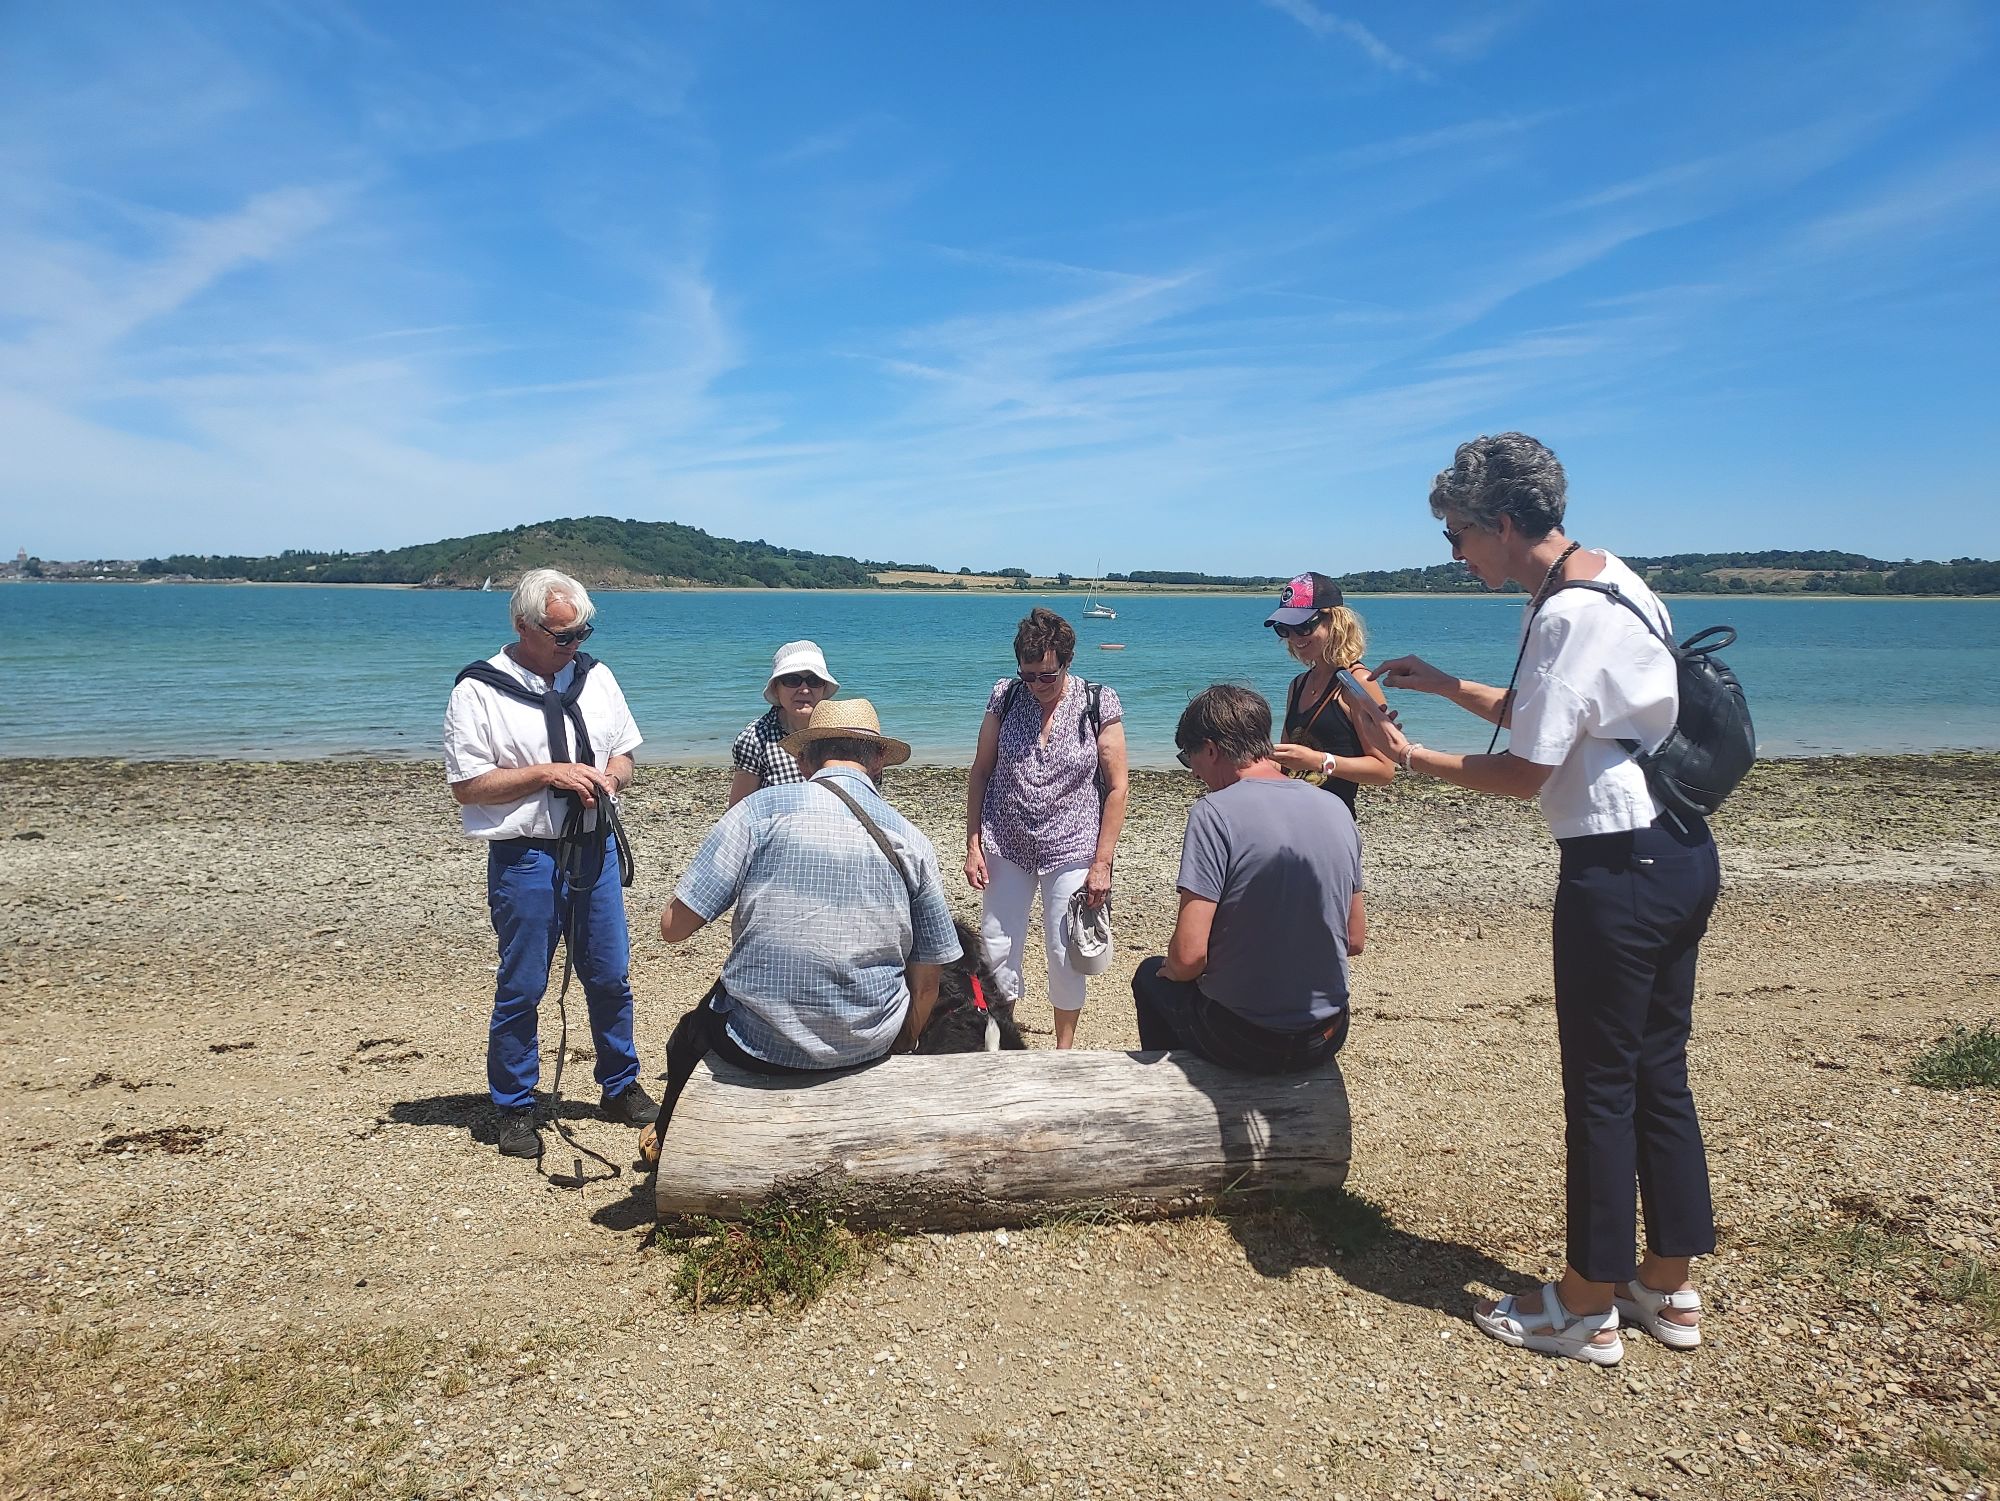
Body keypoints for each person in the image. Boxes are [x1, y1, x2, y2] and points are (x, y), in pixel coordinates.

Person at [1350, 432, 1721, 1365]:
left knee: (1600, 1085)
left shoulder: (1559, 615)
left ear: (1504, 522)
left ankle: (1584, 1304)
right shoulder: (1618, 583)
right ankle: (1666, 1284)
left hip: (1614, 866)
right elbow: (1552, 712)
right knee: (1656, 1070)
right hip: (1678, 848)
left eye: (1458, 535)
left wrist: (1412, 759)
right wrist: (1445, 686)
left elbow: (1525, 769)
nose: (1457, 554)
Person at [649, 699, 961, 1146]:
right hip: (868, 1043)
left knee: (687, 1038)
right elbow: (928, 982)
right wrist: (897, 1043)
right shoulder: (911, 839)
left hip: (758, 1043)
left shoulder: (760, 811)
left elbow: (673, 928)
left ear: (803, 758)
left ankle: (669, 1139)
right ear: (876, 761)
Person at [442, 568, 658, 1161]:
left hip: (596, 848)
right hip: (525, 856)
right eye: (562, 636)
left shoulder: (597, 677)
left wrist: (609, 778)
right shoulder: (478, 690)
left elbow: (624, 753)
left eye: (581, 634)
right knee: (524, 984)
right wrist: (548, 775)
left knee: (610, 974)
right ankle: (514, 1105)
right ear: (524, 626)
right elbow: (469, 786)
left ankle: (619, 1086)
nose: (574, 646)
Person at [1131, 684, 1365, 1072]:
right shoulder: (1336, 808)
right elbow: (1353, 939)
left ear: (1210, 749)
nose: (1195, 776)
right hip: (1325, 1034)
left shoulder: (1214, 813)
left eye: (1190, 761)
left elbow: (1189, 957)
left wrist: (1171, 970)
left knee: (1150, 978)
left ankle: (1181, 1096)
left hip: (1243, 1038)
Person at [964, 606, 1129, 1049]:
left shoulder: (1099, 702)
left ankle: (1064, 1052)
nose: (1036, 685)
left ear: (1067, 663)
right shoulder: (1005, 696)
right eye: (1028, 675)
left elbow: (1117, 787)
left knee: (1065, 952)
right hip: (1005, 839)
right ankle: (1001, 1040)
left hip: (1073, 843)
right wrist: (973, 844)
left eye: (1046, 676)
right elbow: (980, 771)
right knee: (996, 949)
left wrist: (1103, 864)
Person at [1264, 571, 1397, 812]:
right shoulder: (1298, 685)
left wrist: (1318, 761)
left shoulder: (1358, 683)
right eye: (1284, 630)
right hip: (1293, 817)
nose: (1294, 638)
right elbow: (1286, 767)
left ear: (1335, 621)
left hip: (1333, 821)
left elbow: (1384, 770)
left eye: (1303, 627)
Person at [726, 640, 839, 807]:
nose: (805, 689)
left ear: (823, 688)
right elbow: (738, 811)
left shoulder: (841, 733)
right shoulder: (756, 738)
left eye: (814, 680)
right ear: (776, 689)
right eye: (792, 680)